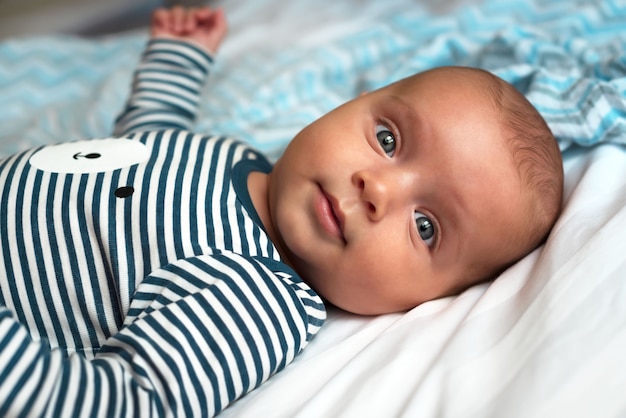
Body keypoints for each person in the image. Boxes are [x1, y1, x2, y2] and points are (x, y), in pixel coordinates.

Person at [0, 5, 563, 417]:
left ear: (431, 301)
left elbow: (126, 401)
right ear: (347, 106)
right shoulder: (240, 157)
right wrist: (178, 62)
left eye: (426, 226)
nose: (378, 189)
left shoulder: (261, 302)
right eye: (389, 140)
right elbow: (145, 148)